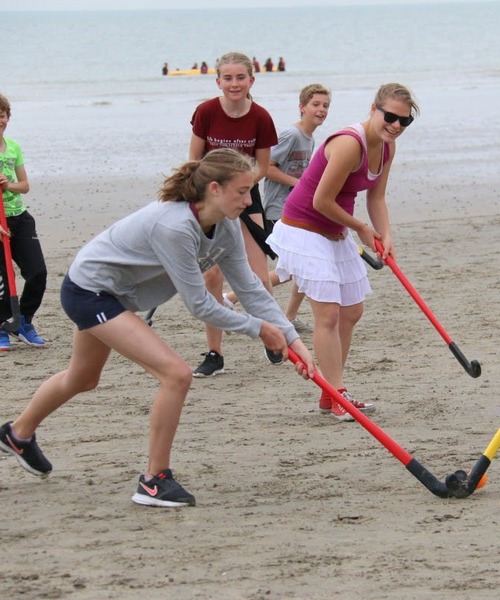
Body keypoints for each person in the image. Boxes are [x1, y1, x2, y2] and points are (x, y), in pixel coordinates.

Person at [0, 148, 316, 507]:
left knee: (82, 378)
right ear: (214, 189)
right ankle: (154, 480)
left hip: (114, 294)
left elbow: (251, 290)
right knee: (176, 375)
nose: (248, 201)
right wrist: (258, 329)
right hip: (90, 291)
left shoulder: (227, 224)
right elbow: (199, 305)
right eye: (242, 191)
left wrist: (292, 340)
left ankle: (17, 434)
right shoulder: (175, 226)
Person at [267, 83, 417, 421]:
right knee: (329, 315)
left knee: (352, 312)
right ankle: (338, 394)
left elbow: (376, 197)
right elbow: (321, 200)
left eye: (404, 121)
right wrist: (361, 228)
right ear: (374, 109)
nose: (395, 125)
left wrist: (386, 235)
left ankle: (329, 393)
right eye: (390, 117)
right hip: (304, 228)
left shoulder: (387, 147)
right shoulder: (350, 143)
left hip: (334, 231)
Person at [189, 51, 278, 377]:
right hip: (211, 200)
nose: (234, 84)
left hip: (246, 197)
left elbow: (263, 167)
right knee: (211, 277)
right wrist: (214, 196)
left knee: (258, 277)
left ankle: (273, 337)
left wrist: (238, 191)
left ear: (251, 80)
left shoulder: (261, 117)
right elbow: (194, 161)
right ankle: (215, 353)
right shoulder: (206, 111)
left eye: (240, 77)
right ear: (218, 81)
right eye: (227, 78)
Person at [225, 84, 332, 331]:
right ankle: (229, 298)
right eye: (316, 104)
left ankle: (289, 317)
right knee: (295, 267)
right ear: (302, 107)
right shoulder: (291, 135)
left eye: (325, 106)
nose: (321, 110)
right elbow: (268, 169)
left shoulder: (309, 138)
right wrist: (300, 185)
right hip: (278, 209)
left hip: (298, 209)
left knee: (303, 265)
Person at [0, 93, 48, 351]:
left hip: (19, 217)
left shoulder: (13, 147)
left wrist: (8, 186)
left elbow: (24, 186)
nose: (0, 120)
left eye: (2, 115)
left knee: (37, 272)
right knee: (3, 279)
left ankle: (24, 321)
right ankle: (2, 326)